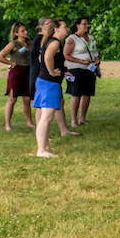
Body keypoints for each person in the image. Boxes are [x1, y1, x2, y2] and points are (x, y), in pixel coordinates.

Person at [33, 19, 79, 157]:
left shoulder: (49, 41)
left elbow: (43, 58)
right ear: (56, 29)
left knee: (45, 115)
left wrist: (62, 70)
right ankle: (41, 150)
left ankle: (45, 147)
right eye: (64, 27)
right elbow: (47, 57)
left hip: (45, 82)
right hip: (49, 83)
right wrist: (52, 72)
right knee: (46, 116)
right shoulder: (55, 42)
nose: (67, 29)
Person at [0, 22, 35, 131]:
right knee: (12, 99)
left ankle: (29, 122)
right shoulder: (13, 44)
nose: (26, 32)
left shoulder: (30, 44)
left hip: (28, 72)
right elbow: (0, 57)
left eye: (25, 30)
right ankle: (7, 124)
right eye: (23, 31)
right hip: (17, 73)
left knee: (27, 100)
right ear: (16, 33)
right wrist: (12, 63)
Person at [63, 16, 100, 129]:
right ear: (77, 25)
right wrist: (81, 61)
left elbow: (95, 52)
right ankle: (73, 120)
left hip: (90, 69)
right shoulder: (72, 39)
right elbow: (66, 55)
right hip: (76, 69)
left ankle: (82, 118)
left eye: (87, 24)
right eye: (84, 24)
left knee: (87, 93)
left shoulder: (91, 38)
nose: (86, 26)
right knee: (76, 93)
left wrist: (97, 60)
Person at [27, 16, 51, 105]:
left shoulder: (46, 38)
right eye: (48, 24)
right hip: (38, 70)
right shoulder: (39, 39)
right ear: (41, 26)